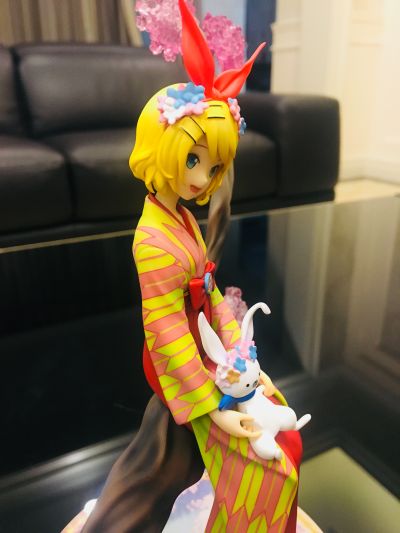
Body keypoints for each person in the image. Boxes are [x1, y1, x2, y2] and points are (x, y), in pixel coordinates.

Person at [82, 2, 303, 531]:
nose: (203, 179)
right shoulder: (154, 240)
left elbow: (210, 290)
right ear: (162, 147)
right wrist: (212, 405)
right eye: (192, 160)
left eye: (214, 166)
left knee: (275, 431)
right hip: (178, 365)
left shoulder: (180, 218)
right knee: (217, 465)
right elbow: (165, 330)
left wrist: (239, 347)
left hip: (206, 352)